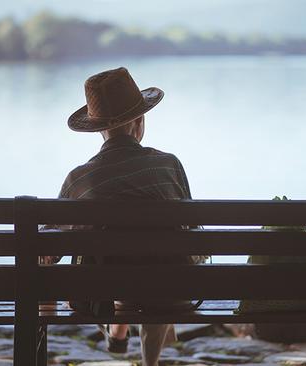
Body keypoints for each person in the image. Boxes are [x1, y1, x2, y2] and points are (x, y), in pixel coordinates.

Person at [40, 67, 202, 366]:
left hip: (105, 292)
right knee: (164, 263)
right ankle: (145, 356)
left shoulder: (80, 179)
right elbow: (193, 231)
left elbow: (49, 249)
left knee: (110, 270)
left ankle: (117, 329)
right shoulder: (168, 165)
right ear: (140, 122)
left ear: (99, 129)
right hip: (171, 288)